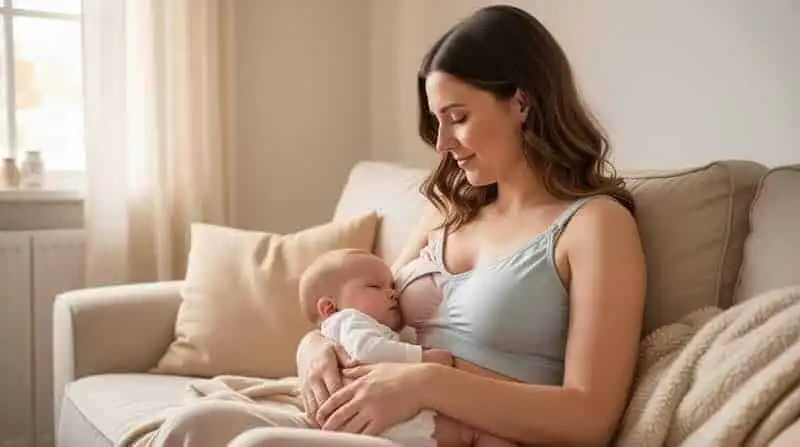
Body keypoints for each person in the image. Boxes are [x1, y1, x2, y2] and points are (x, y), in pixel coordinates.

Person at [154, 4, 646, 446]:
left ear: (521, 102)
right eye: (437, 122)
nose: (442, 144)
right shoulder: (448, 209)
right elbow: (367, 309)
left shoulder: (594, 226)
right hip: (377, 418)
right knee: (192, 426)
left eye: (457, 117)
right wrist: (315, 348)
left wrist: (425, 383)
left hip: (456, 435)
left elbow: (590, 417)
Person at [296, 248, 516, 446]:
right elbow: (368, 350)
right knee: (475, 435)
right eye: (375, 286)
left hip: (369, 414)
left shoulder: (349, 328)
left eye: (392, 286)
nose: (393, 293)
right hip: (378, 415)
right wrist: (424, 358)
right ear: (329, 307)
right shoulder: (348, 319)